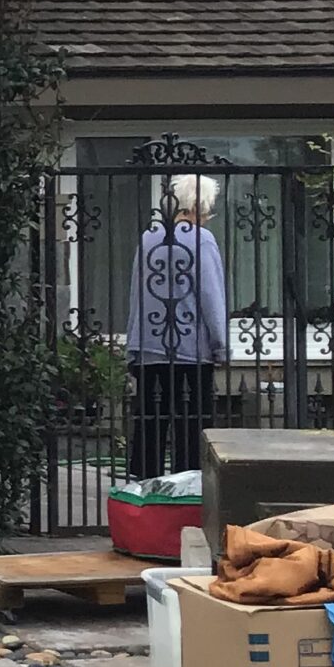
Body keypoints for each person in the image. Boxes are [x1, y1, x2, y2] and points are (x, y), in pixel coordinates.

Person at [126, 172, 229, 477]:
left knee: (150, 424)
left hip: (148, 346)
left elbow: (138, 291)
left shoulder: (149, 237)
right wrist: (220, 345)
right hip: (191, 349)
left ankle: (145, 490)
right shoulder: (202, 240)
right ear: (202, 206)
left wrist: (133, 343)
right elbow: (211, 295)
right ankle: (189, 491)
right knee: (192, 427)